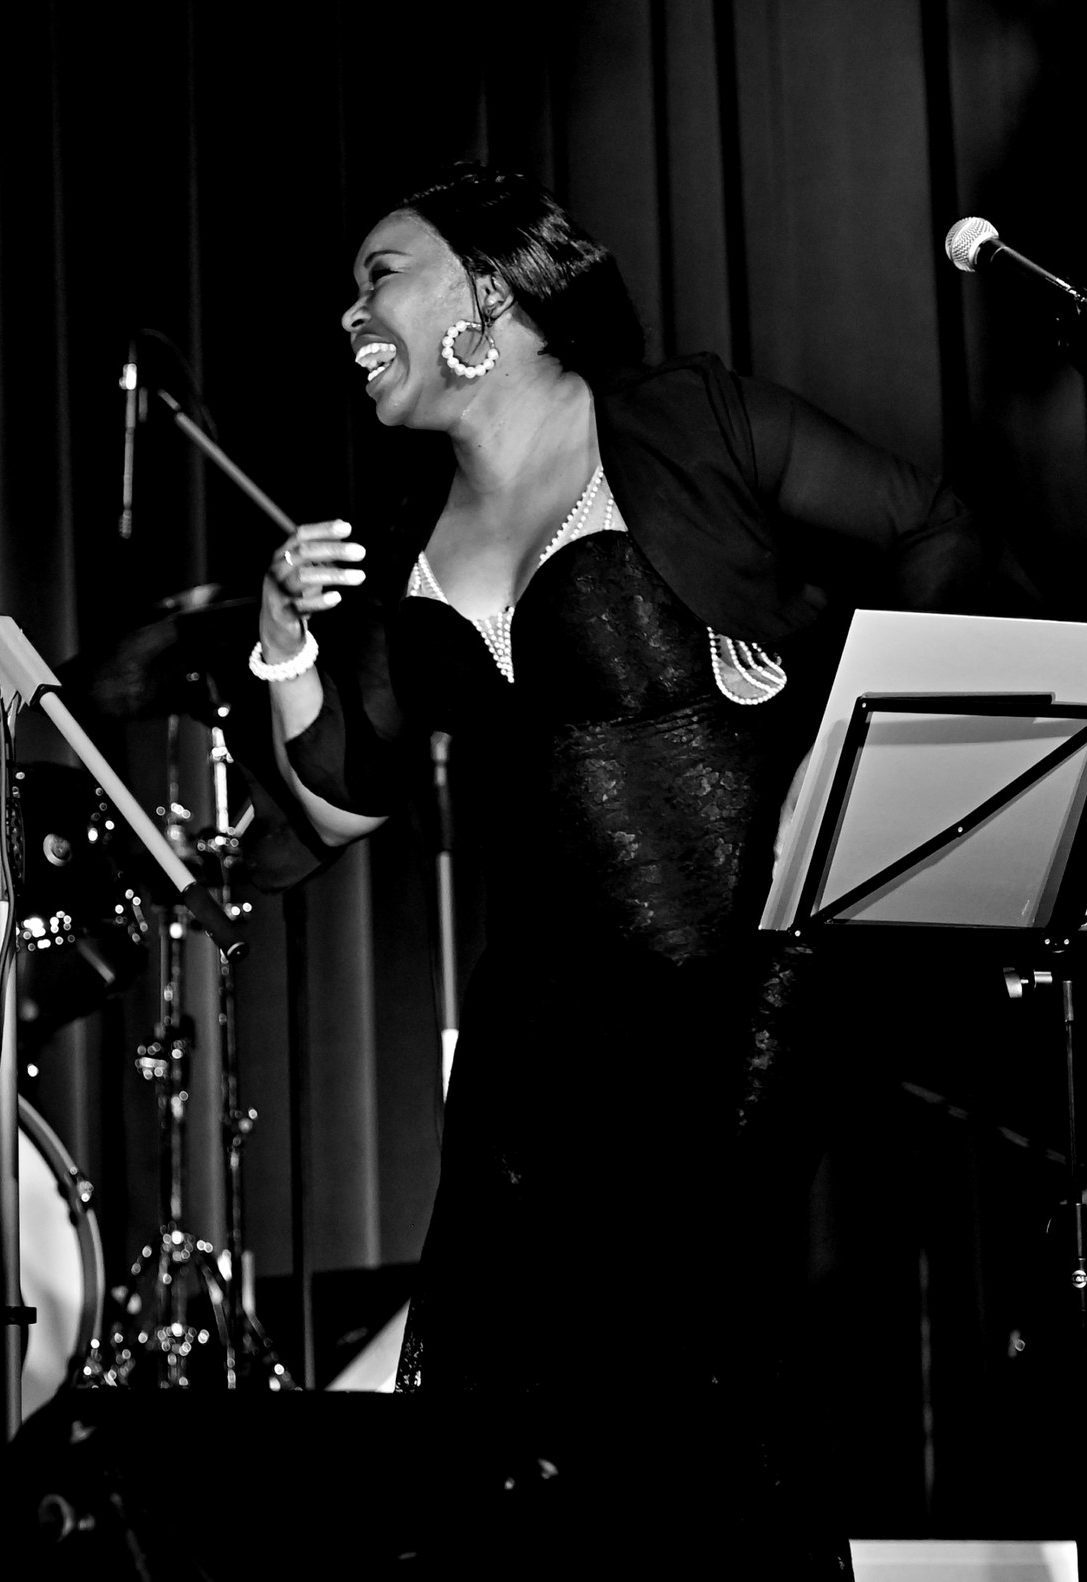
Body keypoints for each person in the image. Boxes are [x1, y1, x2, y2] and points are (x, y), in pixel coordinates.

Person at [254, 164, 991, 1574]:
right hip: (536, 1038)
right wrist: (283, 643)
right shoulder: (405, 527)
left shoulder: (681, 422)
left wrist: (837, 733)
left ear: (487, 291)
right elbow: (342, 798)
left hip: (735, 991)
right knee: (516, 1414)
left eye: (378, 274)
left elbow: (932, 528)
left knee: (692, 1378)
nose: (349, 313)